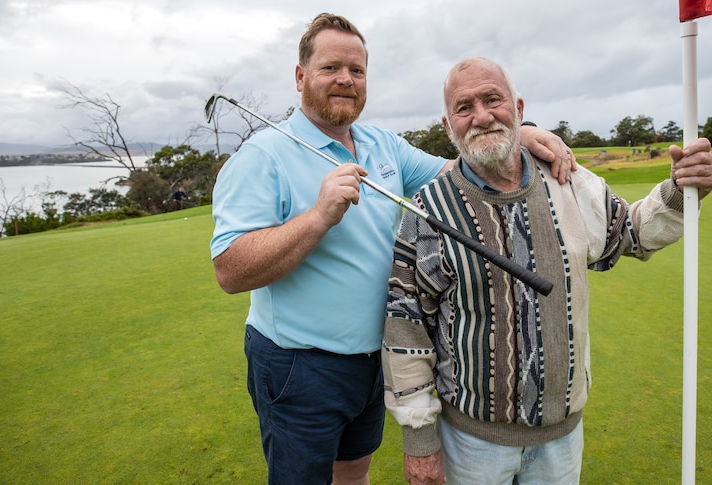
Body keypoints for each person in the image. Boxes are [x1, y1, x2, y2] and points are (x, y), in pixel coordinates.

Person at [209, 14, 576, 485]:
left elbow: (458, 171)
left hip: (373, 361)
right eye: (330, 68)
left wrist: (512, 133)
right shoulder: (261, 156)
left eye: (357, 70)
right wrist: (319, 216)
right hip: (299, 364)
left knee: (354, 472)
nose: (346, 79)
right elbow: (230, 270)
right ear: (301, 76)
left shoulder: (382, 144)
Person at [381, 57, 712, 485]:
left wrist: (681, 189)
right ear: (448, 127)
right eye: (463, 107)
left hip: (561, 441)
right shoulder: (427, 212)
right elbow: (406, 329)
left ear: (519, 108)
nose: (481, 116)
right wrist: (420, 443)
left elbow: (630, 233)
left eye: (492, 99)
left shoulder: (569, 182)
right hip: (470, 444)